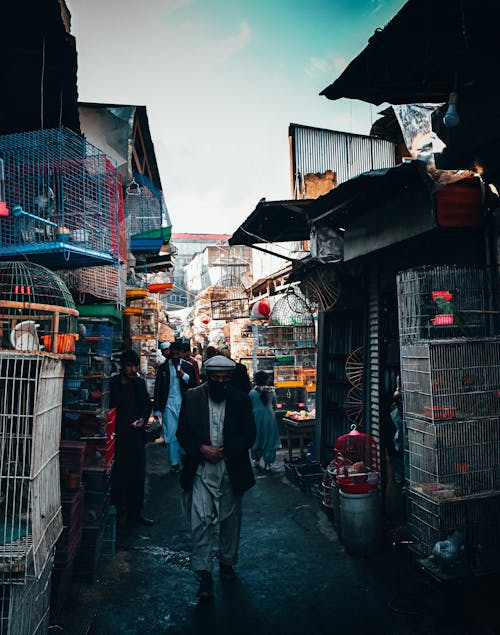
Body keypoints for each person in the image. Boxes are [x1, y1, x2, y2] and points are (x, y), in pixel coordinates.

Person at [177, 355, 256, 600]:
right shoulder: (192, 398)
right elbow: (183, 434)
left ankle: (227, 563)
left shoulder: (241, 400)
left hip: (231, 467)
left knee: (230, 519)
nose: (221, 382)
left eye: (225, 379)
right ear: (208, 378)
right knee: (201, 520)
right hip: (202, 468)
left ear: (230, 379)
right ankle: (204, 574)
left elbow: (249, 435)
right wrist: (202, 448)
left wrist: (226, 450)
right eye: (216, 378)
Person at [110, 349, 153, 526]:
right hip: (117, 437)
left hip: (135, 437)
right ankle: (118, 511)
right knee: (118, 476)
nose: (132, 369)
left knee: (136, 476)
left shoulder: (139, 384)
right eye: (129, 365)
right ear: (122, 366)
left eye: (135, 366)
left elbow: (146, 406)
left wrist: (142, 419)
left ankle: (135, 513)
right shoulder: (113, 384)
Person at [153, 340, 197, 473]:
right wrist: (157, 409)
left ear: (182, 354)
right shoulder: (163, 368)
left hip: (185, 405)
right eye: (173, 354)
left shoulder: (188, 367)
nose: (176, 357)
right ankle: (174, 463)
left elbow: (195, 385)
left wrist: (184, 376)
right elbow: (158, 388)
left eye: (178, 354)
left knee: (184, 431)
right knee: (171, 433)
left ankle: (184, 456)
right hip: (168, 405)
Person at [249, 371, 281, 472]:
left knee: (257, 438)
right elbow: (275, 406)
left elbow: (249, 407)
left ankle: (256, 460)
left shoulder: (252, 393)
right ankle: (268, 463)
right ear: (266, 380)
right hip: (269, 419)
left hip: (256, 419)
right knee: (270, 439)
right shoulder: (271, 392)